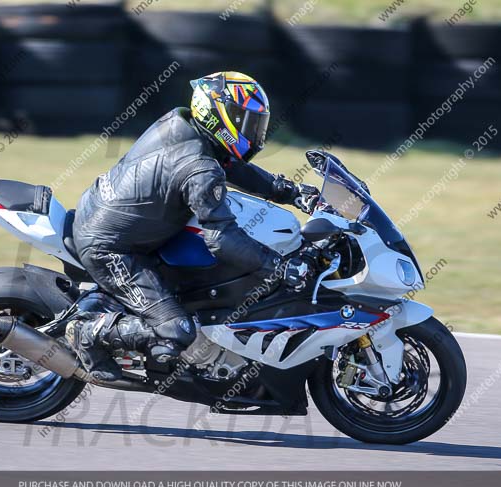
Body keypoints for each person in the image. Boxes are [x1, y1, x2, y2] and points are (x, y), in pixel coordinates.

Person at [66, 71, 315, 382]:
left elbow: (229, 164)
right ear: (218, 115)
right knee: (177, 330)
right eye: (245, 121)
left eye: (255, 123)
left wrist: (287, 191)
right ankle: (88, 333)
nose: (252, 132)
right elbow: (223, 240)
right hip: (110, 248)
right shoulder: (199, 168)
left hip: (110, 218)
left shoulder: (182, 122)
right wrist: (278, 267)